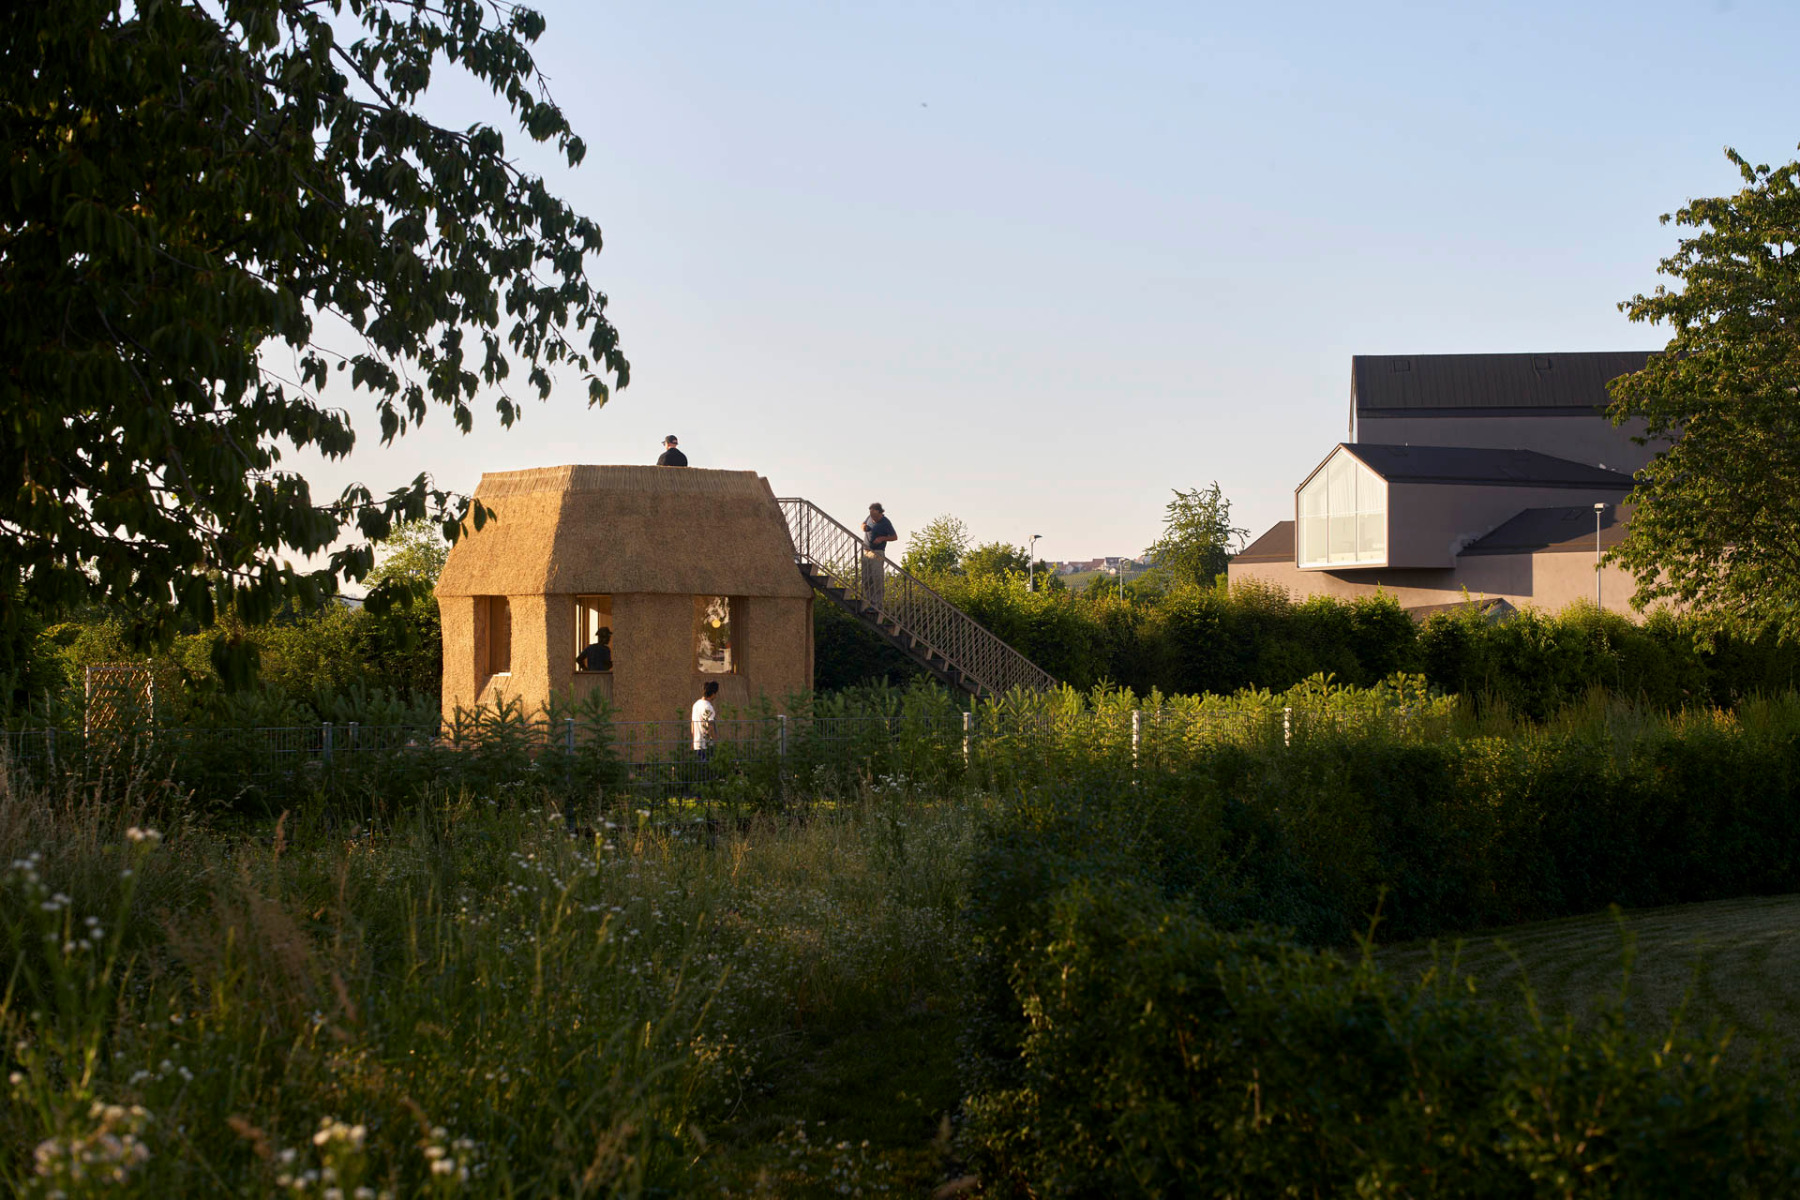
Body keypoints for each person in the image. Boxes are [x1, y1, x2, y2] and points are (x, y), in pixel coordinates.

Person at [861, 502, 897, 612]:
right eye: (871, 515)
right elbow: (862, 524)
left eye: (875, 516)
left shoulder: (885, 522)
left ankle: (877, 605)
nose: (873, 518)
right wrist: (864, 527)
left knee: (877, 578)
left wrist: (882, 538)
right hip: (866, 551)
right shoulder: (870, 516)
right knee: (866, 579)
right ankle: (868, 602)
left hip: (877, 553)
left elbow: (894, 537)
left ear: (880, 513)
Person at [690, 680, 719, 774]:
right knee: (709, 772)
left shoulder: (696, 704)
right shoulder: (708, 707)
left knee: (700, 772)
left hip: (697, 743)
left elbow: (692, 724)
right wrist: (716, 741)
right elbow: (710, 726)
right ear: (713, 694)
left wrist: (693, 741)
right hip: (706, 744)